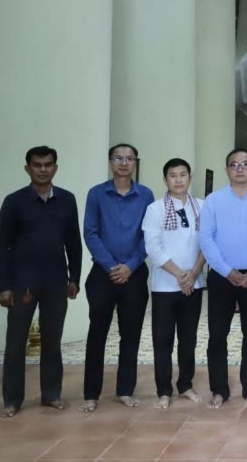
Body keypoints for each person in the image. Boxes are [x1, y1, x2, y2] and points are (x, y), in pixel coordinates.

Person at [0, 146, 81, 418]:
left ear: (56, 168)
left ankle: (51, 394)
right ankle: (12, 400)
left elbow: (74, 243)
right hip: (23, 284)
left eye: (48, 164)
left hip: (56, 282)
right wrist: (3, 286)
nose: (43, 169)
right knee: (15, 343)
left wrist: (74, 278)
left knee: (52, 342)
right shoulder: (14, 202)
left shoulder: (67, 200)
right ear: (27, 168)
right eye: (37, 165)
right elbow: (1, 247)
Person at [79, 143, 155, 413]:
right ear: (110, 162)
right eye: (118, 158)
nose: (124, 163)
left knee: (130, 334)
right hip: (103, 275)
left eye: (129, 158)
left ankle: (125, 390)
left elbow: (149, 234)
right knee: (97, 333)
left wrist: (131, 266)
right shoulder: (97, 194)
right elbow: (90, 233)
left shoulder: (145, 195)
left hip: (134, 275)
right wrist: (112, 266)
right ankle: (91, 393)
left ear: (136, 162)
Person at [198, 148, 247, 409]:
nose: (239, 169)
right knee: (217, 335)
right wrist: (227, 271)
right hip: (221, 278)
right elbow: (205, 238)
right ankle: (219, 389)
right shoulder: (213, 201)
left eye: (245, 164)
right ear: (227, 169)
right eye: (234, 165)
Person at [142, 158, 206, 409]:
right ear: (165, 179)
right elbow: (153, 248)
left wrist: (194, 273)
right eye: (172, 175)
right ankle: (163, 390)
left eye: (182, 174)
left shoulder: (202, 206)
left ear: (190, 177)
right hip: (164, 286)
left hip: (194, 284)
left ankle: (186, 385)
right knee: (163, 339)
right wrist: (180, 274)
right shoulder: (155, 209)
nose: (178, 180)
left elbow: (207, 243)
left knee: (188, 338)